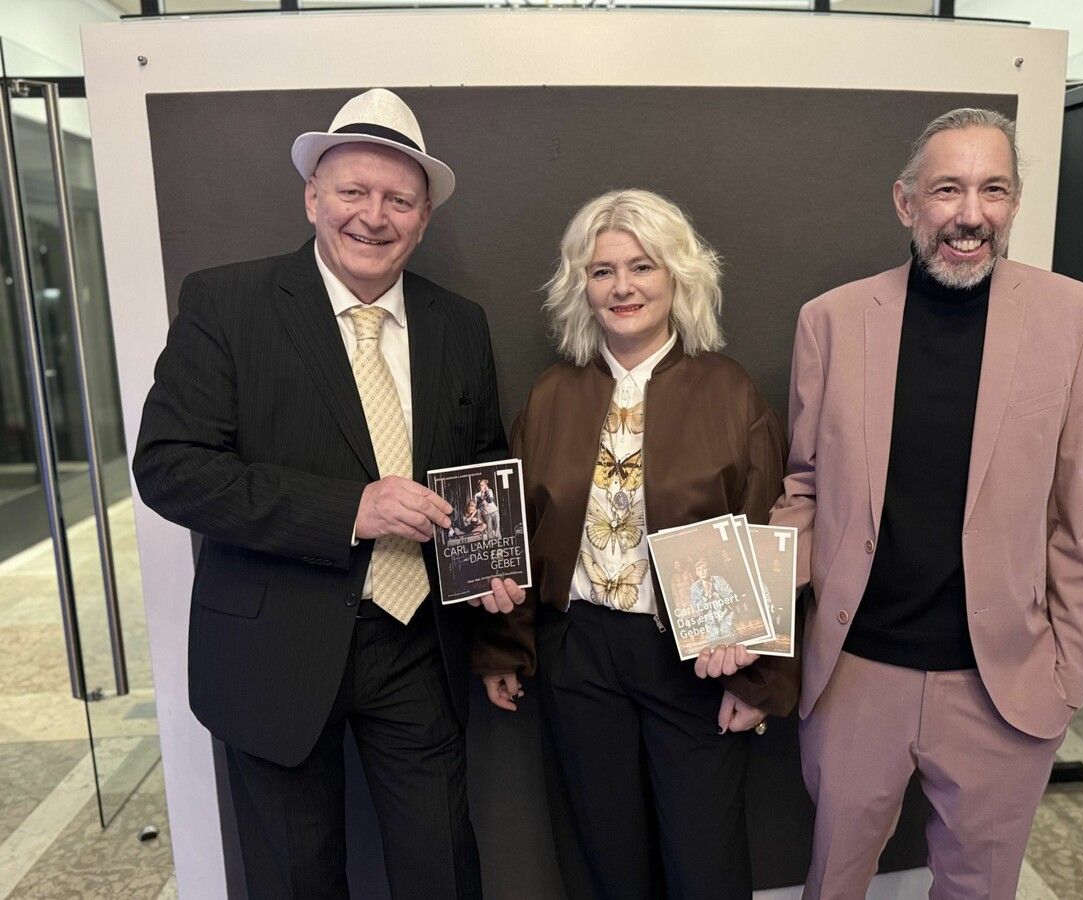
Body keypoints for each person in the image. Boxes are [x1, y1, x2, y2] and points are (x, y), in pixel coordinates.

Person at [133, 88, 524, 899]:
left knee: (442, 871)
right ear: (312, 196)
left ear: (422, 217)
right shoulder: (226, 304)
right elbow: (171, 467)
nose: (373, 215)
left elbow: (481, 459)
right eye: (353, 191)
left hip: (419, 643)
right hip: (274, 650)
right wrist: (350, 509)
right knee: (293, 880)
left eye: (398, 199)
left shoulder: (459, 324)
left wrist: (485, 555)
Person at [771, 108, 1083, 898]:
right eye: (948, 189)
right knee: (833, 885)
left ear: (1016, 201)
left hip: (1005, 686)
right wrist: (732, 611)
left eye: (993, 189)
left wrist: (1067, 676)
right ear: (905, 203)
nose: (971, 215)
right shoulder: (830, 322)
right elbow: (807, 491)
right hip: (857, 676)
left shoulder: (1077, 318)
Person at [473, 189, 798, 899]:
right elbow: (515, 538)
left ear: (677, 276)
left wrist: (761, 681)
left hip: (697, 657)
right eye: (602, 271)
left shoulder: (730, 390)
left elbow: (767, 525)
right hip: (579, 652)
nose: (622, 287)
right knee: (603, 856)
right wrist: (503, 646)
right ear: (579, 288)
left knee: (705, 862)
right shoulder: (551, 396)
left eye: (642, 266)